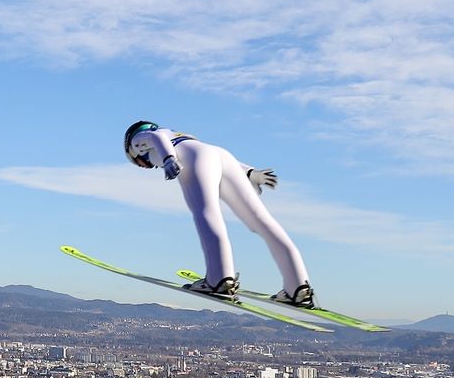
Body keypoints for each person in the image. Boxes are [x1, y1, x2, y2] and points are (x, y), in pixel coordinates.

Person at [123, 120, 316, 308]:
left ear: (133, 149)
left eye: (137, 162)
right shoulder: (178, 135)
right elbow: (212, 154)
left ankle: (220, 279)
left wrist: (168, 159)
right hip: (223, 157)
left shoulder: (141, 138)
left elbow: (156, 137)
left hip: (196, 161)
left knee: (206, 212)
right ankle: (298, 288)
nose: (144, 165)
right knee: (261, 221)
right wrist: (250, 173)